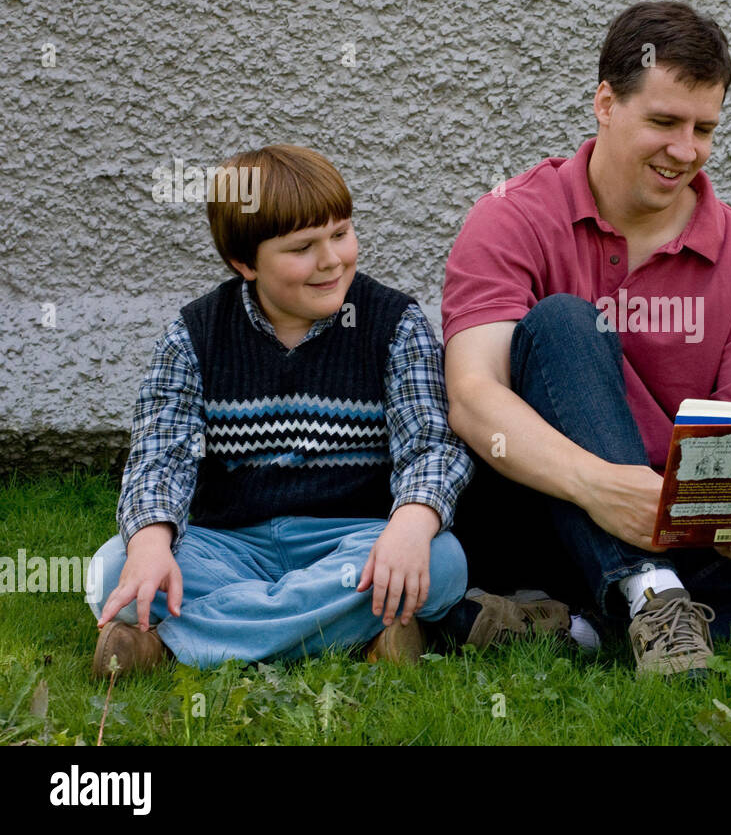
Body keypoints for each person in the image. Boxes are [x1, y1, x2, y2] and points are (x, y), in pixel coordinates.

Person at [441, 1, 731, 676]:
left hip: (680, 519)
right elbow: (472, 395)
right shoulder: (512, 215)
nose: (685, 150)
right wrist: (599, 484)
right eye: (664, 121)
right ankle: (652, 597)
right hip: (541, 504)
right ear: (606, 103)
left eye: (704, 129)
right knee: (564, 322)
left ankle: (593, 625)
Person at [87, 144, 561, 677]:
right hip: (231, 548)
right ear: (245, 262)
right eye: (303, 247)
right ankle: (368, 630)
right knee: (113, 569)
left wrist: (409, 522)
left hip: (354, 541)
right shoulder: (194, 336)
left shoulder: (393, 324)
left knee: (443, 560)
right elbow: (160, 457)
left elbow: (431, 442)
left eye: (340, 233)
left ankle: (172, 645)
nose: (332, 260)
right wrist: (151, 541)